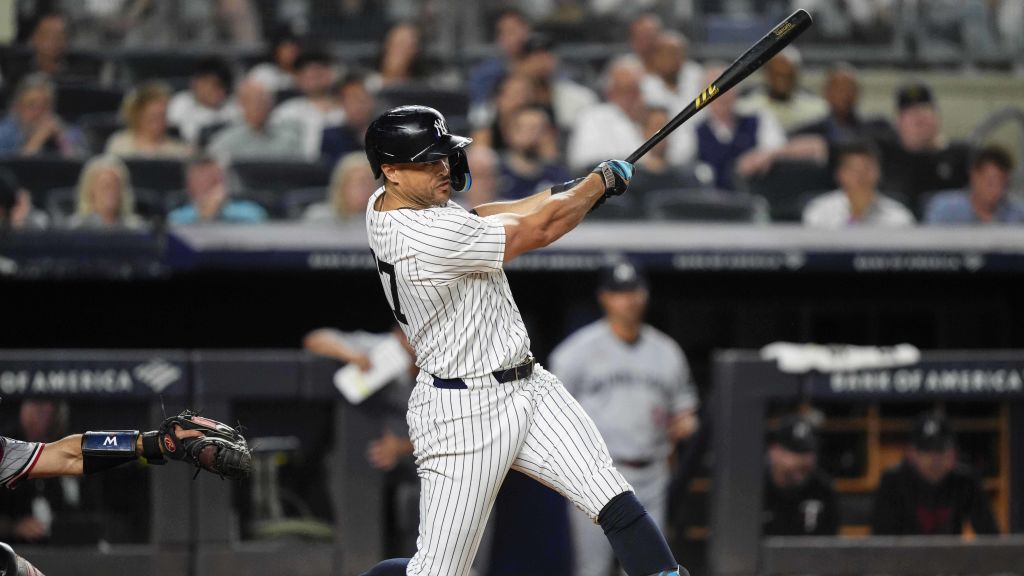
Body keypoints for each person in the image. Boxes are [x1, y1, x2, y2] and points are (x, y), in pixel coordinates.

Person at [359, 105, 687, 576]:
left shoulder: (392, 201)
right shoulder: (422, 236)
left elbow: (484, 215)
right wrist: (598, 188)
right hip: (461, 412)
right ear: (390, 170)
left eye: (442, 158)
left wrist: (570, 191)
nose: (443, 169)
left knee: (610, 495)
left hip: (529, 387)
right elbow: (542, 229)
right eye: (428, 161)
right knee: (437, 572)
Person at [550, 259, 700, 576]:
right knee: (591, 569)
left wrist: (684, 424)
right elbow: (550, 412)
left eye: (634, 291)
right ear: (604, 297)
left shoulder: (667, 351)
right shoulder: (576, 351)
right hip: (594, 475)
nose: (629, 299)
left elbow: (685, 413)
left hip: (651, 475)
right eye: (620, 292)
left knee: (651, 569)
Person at [872, 412, 998, 536]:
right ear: (911, 454)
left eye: (940, 450)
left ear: (953, 454)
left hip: (950, 555)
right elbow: (881, 542)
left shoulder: (966, 481)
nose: (934, 458)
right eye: (926, 450)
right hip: (904, 556)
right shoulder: (893, 481)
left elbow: (991, 538)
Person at [876, 82, 971, 212]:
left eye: (925, 110)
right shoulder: (884, 156)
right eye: (911, 112)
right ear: (898, 121)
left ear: (937, 116)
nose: (919, 118)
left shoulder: (960, 157)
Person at [802, 140, 914, 228]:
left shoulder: (899, 216)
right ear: (840, 174)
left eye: (867, 169)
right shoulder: (819, 211)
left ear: (879, 173)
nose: (861, 176)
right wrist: (854, 216)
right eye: (854, 170)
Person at [763, 415, 840, 536]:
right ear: (774, 452)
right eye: (796, 452)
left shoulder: (823, 490)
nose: (804, 460)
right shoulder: (752, 488)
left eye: (808, 452)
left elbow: (830, 547)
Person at [568, 58, 647, 174]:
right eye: (625, 91)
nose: (632, 98)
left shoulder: (653, 115)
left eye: (636, 91)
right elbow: (584, 160)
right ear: (609, 92)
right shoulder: (592, 116)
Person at [791, 64, 894, 146]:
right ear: (827, 93)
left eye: (850, 89)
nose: (845, 94)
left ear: (857, 94)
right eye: (839, 89)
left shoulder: (879, 128)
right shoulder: (808, 134)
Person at [513, 34, 598, 132]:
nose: (541, 62)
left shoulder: (580, 98)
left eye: (547, 55)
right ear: (520, 64)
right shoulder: (507, 101)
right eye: (534, 57)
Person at [270, 50, 344, 159]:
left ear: (331, 74)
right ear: (298, 79)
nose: (313, 75)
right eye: (307, 73)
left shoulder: (347, 110)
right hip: (300, 169)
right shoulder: (287, 111)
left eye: (319, 72)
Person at [207, 78, 303, 161]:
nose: (261, 107)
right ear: (242, 105)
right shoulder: (225, 141)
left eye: (265, 101)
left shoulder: (289, 138)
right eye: (255, 102)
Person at [925, 145, 1024, 224]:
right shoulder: (945, 209)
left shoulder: (1018, 214)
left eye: (1003, 183)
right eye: (991, 182)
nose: (997, 190)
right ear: (974, 176)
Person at [737, 48, 828, 133]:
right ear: (767, 75)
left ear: (796, 75)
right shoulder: (747, 108)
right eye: (777, 75)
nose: (782, 81)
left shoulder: (816, 109)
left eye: (788, 75)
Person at [0, 74, 85, 157]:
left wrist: (62, 139)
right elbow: (11, 167)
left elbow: (80, 165)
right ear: (18, 107)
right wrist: (38, 137)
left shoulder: (64, 129)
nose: (38, 112)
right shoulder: (4, 132)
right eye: (31, 105)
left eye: (44, 106)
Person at [167, 155, 267, 225]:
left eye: (215, 180)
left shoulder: (251, 213)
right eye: (202, 180)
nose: (209, 185)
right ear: (190, 186)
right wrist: (206, 216)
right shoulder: (177, 219)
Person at [496, 106, 569, 200]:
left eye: (541, 129)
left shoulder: (558, 175)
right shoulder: (493, 171)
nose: (535, 134)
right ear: (510, 133)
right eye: (528, 128)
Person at [105, 81, 192, 158]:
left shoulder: (178, 151)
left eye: (162, 116)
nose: (158, 122)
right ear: (138, 115)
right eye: (152, 117)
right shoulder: (119, 145)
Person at [167, 56, 240, 146]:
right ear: (197, 82)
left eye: (223, 87)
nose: (220, 92)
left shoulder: (233, 109)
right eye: (215, 85)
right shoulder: (180, 103)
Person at [467, 8, 533, 107]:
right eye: (509, 32)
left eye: (519, 30)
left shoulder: (542, 60)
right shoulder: (489, 70)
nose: (517, 36)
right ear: (499, 38)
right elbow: (478, 103)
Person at [67, 155, 144, 230]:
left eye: (116, 187)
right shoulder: (75, 229)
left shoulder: (136, 229)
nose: (111, 192)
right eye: (106, 186)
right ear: (90, 190)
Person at [469, 73, 538, 153]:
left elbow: (550, 161)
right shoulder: (486, 127)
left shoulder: (539, 125)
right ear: (498, 98)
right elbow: (479, 156)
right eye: (515, 94)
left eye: (526, 95)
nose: (521, 101)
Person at [640, 31, 704, 116]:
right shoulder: (644, 85)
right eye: (669, 53)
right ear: (656, 57)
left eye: (679, 53)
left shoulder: (696, 76)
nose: (675, 59)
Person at [303, 152, 378, 223]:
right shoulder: (318, 218)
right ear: (341, 187)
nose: (364, 190)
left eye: (369, 184)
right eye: (358, 184)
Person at [321, 73, 377, 166]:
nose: (358, 106)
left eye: (362, 100)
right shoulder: (331, 137)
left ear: (372, 102)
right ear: (343, 104)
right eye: (352, 101)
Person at [246, 26, 303, 95]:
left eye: (294, 50)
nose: (292, 53)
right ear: (276, 52)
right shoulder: (263, 72)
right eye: (287, 49)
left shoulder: (307, 76)